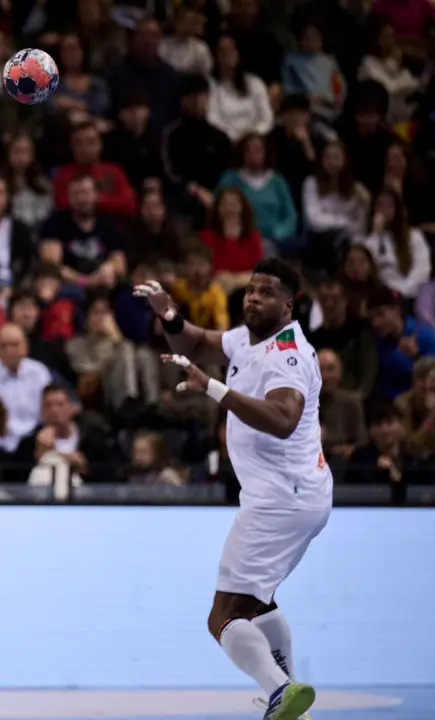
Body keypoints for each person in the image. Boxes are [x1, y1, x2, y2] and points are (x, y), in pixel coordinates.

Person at [134, 258, 328, 720]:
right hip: (298, 496)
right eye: (250, 289)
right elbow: (196, 342)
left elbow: (283, 420)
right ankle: (288, 691)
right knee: (258, 601)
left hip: (281, 500)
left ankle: (280, 690)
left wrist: (215, 389)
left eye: (265, 292)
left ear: (289, 304)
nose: (253, 298)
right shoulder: (246, 338)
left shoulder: (288, 355)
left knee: (223, 618)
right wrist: (170, 316)